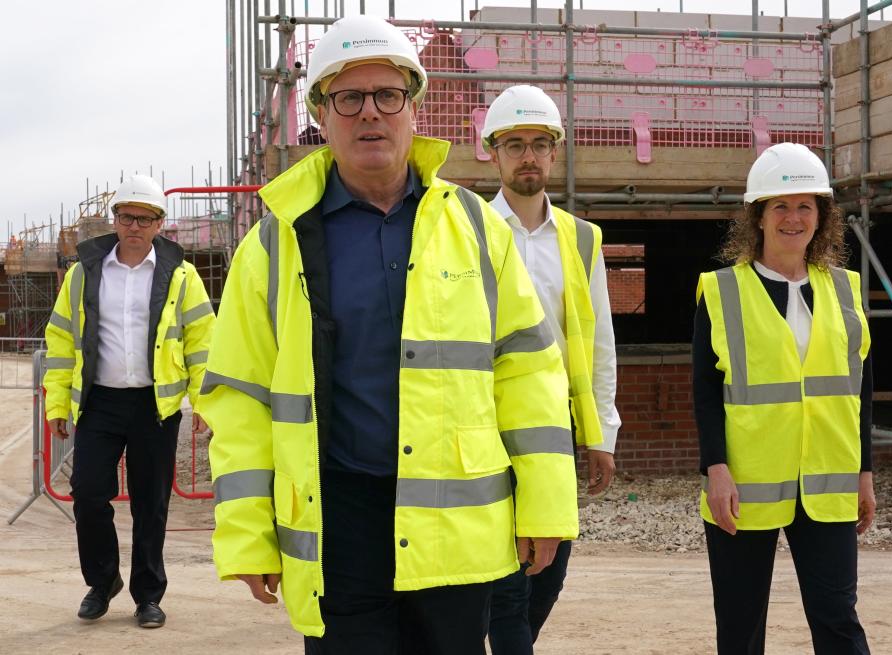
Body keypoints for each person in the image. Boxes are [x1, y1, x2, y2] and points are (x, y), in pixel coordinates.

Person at [198, 15, 579, 655]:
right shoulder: (274, 242)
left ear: (413, 107)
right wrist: (247, 531)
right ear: (320, 113)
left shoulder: (477, 230)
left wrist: (544, 505)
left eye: (387, 96)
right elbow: (238, 396)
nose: (369, 113)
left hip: (454, 528)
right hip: (336, 521)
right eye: (348, 98)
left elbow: (529, 373)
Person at [692, 142, 875, 654]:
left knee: (838, 617)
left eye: (804, 206)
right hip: (746, 484)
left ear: (821, 216)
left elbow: (861, 389)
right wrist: (716, 469)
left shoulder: (846, 290)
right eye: (780, 206)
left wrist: (865, 472)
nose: (792, 218)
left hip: (828, 479)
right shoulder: (722, 290)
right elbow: (705, 390)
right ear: (759, 216)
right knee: (741, 623)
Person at [481, 85, 621, 654]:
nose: (528, 156)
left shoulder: (582, 239)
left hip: (556, 427)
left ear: (555, 152)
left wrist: (602, 432)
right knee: (508, 578)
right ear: (493, 152)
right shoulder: (469, 230)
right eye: (515, 144)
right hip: (487, 424)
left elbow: (600, 342)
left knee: (550, 569)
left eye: (540, 144)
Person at [43, 174, 214, 629]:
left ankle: (148, 596)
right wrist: (58, 404)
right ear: (115, 221)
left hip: (154, 408)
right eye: (126, 216)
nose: (134, 225)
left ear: (160, 224)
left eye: (145, 218)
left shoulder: (181, 276)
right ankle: (102, 582)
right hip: (99, 403)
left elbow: (201, 341)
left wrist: (204, 403)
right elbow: (62, 341)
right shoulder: (84, 274)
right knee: (88, 493)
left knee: (150, 503)